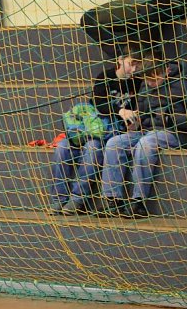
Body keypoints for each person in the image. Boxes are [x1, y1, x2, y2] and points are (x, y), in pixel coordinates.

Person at [98, 52, 187, 218]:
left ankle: (138, 201)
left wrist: (169, 118)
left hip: (176, 132)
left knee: (146, 143)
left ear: (166, 71)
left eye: (154, 79)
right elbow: (144, 112)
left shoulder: (184, 83)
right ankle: (112, 200)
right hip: (147, 130)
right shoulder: (145, 85)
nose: (151, 84)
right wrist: (137, 119)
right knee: (114, 143)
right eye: (147, 81)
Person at [50, 49, 144, 215]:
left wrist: (133, 119)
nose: (134, 69)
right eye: (131, 64)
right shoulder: (105, 76)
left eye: (137, 64)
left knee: (93, 149)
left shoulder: (137, 82)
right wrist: (119, 111)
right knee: (62, 147)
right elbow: (100, 104)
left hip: (108, 133)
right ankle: (58, 198)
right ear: (121, 60)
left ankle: (77, 199)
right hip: (93, 126)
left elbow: (139, 108)